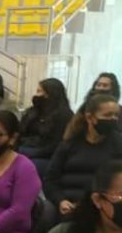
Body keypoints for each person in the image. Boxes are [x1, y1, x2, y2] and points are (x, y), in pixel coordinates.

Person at [44, 94, 122, 222]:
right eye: (108, 115)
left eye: (116, 115)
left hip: (103, 208)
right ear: (90, 117)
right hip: (68, 206)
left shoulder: (119, 144)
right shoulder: (69, 143)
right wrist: (61, 201)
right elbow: (50, 180)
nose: (113, 119)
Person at [18, 78, 73, 176]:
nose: (36, 95)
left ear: (49, 94)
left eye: (40, 91)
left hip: (48, 156)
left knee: (26, 165)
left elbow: (56, 144)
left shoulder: (64, 115)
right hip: (26, 147)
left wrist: (29, 152)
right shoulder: (33, 111)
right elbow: (21, 131)